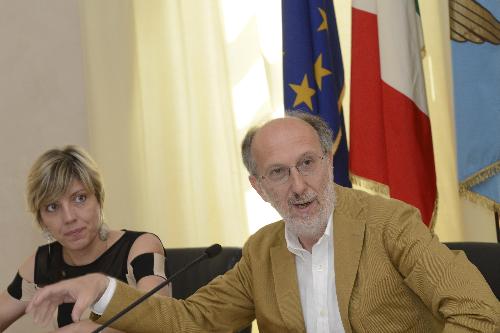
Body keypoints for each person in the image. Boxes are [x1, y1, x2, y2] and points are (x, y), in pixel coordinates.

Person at [27, 114, 499, 332]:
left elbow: (479, 315)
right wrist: (101, 287)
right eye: (278, 172)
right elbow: (193, 320)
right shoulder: (261, 252)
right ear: (258, 186)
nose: (298, 186)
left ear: (329, 163)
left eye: (308, 164)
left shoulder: (389, 223)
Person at [0, 145, 171, 332]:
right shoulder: (43, 263)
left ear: (99, 199)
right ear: (41, 220)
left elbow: (159, 323)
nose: (69, 217)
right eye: (52, 207)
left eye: (79, 198)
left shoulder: (140, 247)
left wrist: (79, 330)